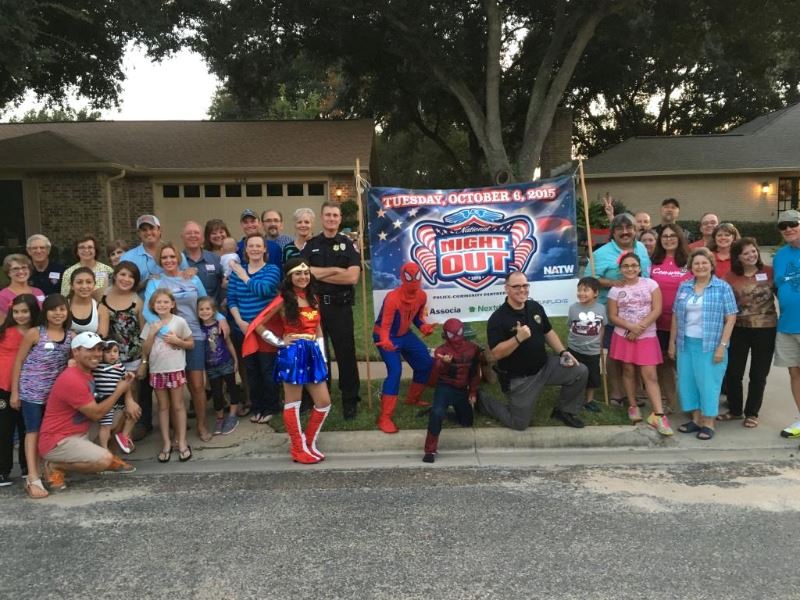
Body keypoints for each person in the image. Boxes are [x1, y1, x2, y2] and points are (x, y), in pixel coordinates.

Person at [243, 257, 332, 464]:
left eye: (306, 273)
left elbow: (318, 329)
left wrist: (323, 357)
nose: (303, 277)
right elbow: (258, 324)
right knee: (293, 402)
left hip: (312, 353)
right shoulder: (283, 300)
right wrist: (278, 341)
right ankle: (297, 448)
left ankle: (308, 443)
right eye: (298, 273)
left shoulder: (313, 298)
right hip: (293, 354)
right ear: (290, 276)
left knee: (324, 402)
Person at [476, 271, 588, 431]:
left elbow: (547, 331)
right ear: (506, 288)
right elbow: (496, 354)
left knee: (580, 371)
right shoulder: (498, 318)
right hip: (521, 379)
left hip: (545, 366)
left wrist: (563, 352)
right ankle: (481, 400)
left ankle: (565, 411)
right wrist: (518, 338)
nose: (522, 290)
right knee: (519, 424)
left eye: (525, 285)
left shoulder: (535, 307)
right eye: (516, 286)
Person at [37, 331, 138, 494]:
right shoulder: (72, 378)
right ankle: (54, 465)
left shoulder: (91, 371)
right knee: (103, 460)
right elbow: (97, 414)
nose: (97, 354)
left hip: (81, 431)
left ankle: (97, 454)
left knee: (125, 413)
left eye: (99, 349)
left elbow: (119, 380)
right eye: (90, 350)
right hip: (59, 440)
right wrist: (120, 391)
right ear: (76, 352)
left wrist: (129, 397)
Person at [144, 242, 223, 443]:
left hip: (194, 336)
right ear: (159, 261)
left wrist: (220, 317)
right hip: (167, 340)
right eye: (164, 258)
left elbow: (205, 301)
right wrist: (166, 333)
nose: (169, 260)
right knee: (171, 388)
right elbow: (147, 311)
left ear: (179, 259)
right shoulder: (155, 282)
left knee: (197, 385)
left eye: (172, 257)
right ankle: (174, 429)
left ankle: (202, 424)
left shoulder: (192, 277)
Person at [120, 214, 187, 441]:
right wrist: (148, 281)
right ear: (139, 233)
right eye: (144, 230)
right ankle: (145, 422)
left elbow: (184, 276)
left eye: (152, 229)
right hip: (141, 320)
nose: (149, 233)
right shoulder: (130, 257)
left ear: (160, 230)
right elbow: (123, 281)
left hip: (172, 320)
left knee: (173, 372)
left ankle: (176, 423)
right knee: (145, 374)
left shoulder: (173, 252)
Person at [302, 201, 362, 419]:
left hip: (340, 307)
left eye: (335, 215)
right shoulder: (311, 245)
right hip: (316, 308)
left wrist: (321, 272)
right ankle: (320, 397)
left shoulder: (348, 245)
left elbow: (353, 277)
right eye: (327, 215)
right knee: (319, 354)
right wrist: (337, 269)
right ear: (322, 217)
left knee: (346, 354)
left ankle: (350, 399)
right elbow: (305, 273)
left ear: (340, 219)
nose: (331, 218)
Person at [669, 248, 737, 441]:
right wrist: (672, 344)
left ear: (711, 265)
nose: (700, 266)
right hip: (685, 344)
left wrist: (722, 346)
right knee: (688, 382)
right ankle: (696, 419)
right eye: (696, 263)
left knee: (708, 384)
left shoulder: (722, 287)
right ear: (691, 267)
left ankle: (709, 423)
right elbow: (675, 315)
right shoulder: (684, 287)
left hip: (710, 346)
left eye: (704, 263)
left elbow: (731, 317)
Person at [10, 294, 73, 499]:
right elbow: (18, 362)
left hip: (55, 396)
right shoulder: (35, 333)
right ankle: (33, 476)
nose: (58, 313)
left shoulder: (70, 336)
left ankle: (50, 470)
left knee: (52, 434)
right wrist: (15, 392)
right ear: (45, 312)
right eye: (53, 309)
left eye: (62, 309)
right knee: (33, 432)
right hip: (31, 392)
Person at [607, 253, 673, 435]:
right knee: (628, 370)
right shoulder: (615, 290)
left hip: (646, 335)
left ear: (639, 267)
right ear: (620, 269)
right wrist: (630, 327)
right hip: (624, 335)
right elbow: (613, 315)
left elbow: (657, 308)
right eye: (626, 266)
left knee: (650, 374)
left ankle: (658, 415)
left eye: (634, 265)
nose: (630, 269)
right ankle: (633, 405)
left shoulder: (651, 284)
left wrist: (640, 328)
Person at [592, 213, 651, 402]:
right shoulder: (601, 254)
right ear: (613, 232)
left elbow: (647, 275)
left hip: (640, 314)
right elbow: (589, 280)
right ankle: (617, 391)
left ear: (635, 230)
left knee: (637, 351)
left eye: (629, 228)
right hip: (613, 313)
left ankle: (636, 389)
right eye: (620, 229)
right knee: (614, 353)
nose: (625, 232)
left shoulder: (641, 248)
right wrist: (611, 282)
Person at [373, 262, 436, 433]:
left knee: (425, 362)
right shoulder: (392, 298)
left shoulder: (421, 296)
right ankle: (384, 417)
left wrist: (424, 327)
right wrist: (385, 340)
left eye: (417, 277)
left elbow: (417, 318)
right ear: (402, 278)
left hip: (404, 335)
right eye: (410, 277)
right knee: (395, 371)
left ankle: (413, 398)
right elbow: (385, 325)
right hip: (384, 336)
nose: (414, 281)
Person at [720, 238, 776, 428]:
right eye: (746, 253)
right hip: (738, 329)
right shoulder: (729, 277)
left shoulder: (769, 272)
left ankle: (752, 413)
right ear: (738, 258)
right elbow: (722, 305)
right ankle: (735, 410)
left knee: (758, 374)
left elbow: (783, 295)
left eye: (753, 251)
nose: (751, 255)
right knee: (734, 373)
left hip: (766, 329)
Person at [228, 233, 282, 423]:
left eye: (259, 246)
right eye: (251, 246)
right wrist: (239, 321)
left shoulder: (272, 269)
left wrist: (244, 277)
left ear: (265, 249)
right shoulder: (237, 271)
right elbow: (232, 298)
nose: (255, 249)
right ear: (246, 249)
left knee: (268, 370)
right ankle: (257, 407)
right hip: (243, 329)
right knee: (251, 371)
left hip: (266, 329)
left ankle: (271, 406)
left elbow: (264, 290)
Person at [140, 289, 194, 463]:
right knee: (163, 407)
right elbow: (145, 350)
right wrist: (152, 333)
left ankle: (183, 441)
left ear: (172, 304)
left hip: (175, 368)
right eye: (158, 302)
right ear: (153, 306)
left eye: (165, 302)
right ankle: (166, 443)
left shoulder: (179, 322)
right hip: (157, 370)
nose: (162, 305)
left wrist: (178, 341)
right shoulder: (151, 324)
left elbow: (191, 343)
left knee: (178, 405)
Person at [422, 318, 481, 463]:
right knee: (437, 413)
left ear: (463, 331)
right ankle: (430, 451)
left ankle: (442, 412)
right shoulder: (441, 351)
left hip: (462, 390)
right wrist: (444, 364)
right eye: (451, 334)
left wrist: (473, 392)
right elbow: (433, 377)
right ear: (445, 334)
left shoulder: (473, 349)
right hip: (445, 387)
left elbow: (474, 372)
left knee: (467, 421)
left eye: (458, 332)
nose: (455, 337)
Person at [649, 224, 692, 412]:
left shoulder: (689, 261)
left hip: (686, 324)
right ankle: (669, 401)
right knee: (664, 364)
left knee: (684, 366)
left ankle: (691, 404)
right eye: (664, 236)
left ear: (680, 238)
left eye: (672, 235)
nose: (668, 239)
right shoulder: (653, 261)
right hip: (658, 324)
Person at [0, 295, 39, 486]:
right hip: (4, 387)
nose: (20, 315)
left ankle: (27, 467)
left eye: (25, 311)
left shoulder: (38, 332)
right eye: (16, 312)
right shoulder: (4, 332)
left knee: (28, 428)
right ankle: (2, 470)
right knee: (4, 429)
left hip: (30, 387)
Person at [769, 210, 800, 439]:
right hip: (787, 325)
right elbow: (778, 287)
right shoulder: (780, 256)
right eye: (783, 226)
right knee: (795, 373)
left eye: (793, 224)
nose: (788, 229)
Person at [197, 296, 239, 436]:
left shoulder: (220, 325)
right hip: (211, 367)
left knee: (232, 388)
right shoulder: (198, 329)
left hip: (225, 362)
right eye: (201, 309)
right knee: (216, 394)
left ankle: (233, 415)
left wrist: (235, 360)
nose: (204, 312)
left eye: (208, 309)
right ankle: (220, 418)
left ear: (214, 311)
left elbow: (228, 343)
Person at [567, 277, 606, 413]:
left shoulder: (601, 309)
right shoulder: (573, 308)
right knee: (572, 374)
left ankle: (589, 401)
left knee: (592, 376)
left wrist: (599, 343)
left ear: (595, 293)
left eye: (585, 290)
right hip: (574, 349)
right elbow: (570, 325)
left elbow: (602, 327)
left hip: (592, 351)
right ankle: (572, 398)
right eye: (579, 290)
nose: (581, 293)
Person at [98, 261, 145, 374]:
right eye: (123, 274)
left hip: (132, 359)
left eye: (131, 276)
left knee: (131, 391)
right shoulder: (101, 295)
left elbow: (145, 335)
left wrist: (144, 362)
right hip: (106, 358)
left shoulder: (138, 302)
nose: (126, 279)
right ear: (115, 275)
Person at [92, 340, 137, 453]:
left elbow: (125, 378)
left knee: (134, 412)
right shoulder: (97, 366)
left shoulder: (120, 366)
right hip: (104, 400)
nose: (112, 354)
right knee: (105, 426)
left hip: (118, 399)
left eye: (115, 351)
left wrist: (129, 376)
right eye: (108, 352)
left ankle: (124, 435)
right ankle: (104, 449)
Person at [182, 220, 224, 307]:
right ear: (182, 237)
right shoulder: (176, 261)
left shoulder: (215, 259)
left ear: (203, 238)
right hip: (187, 316)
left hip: (213, 315)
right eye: (189, 233)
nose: (193, 235)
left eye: (196, 233)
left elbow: (224, 284)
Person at [0, 254, 44, 320]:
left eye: (24, 267)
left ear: (29, 270)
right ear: (8, 273)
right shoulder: (2, 296)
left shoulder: (38, 292)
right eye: (15, 269)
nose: (21, 271)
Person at [68, 267, 108, 334]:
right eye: (79, 282)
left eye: (88, 282)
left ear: (94, 285)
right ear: (71, 285)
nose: (84, 286)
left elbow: (102, 338)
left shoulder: (101, 309)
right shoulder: (63, 306)